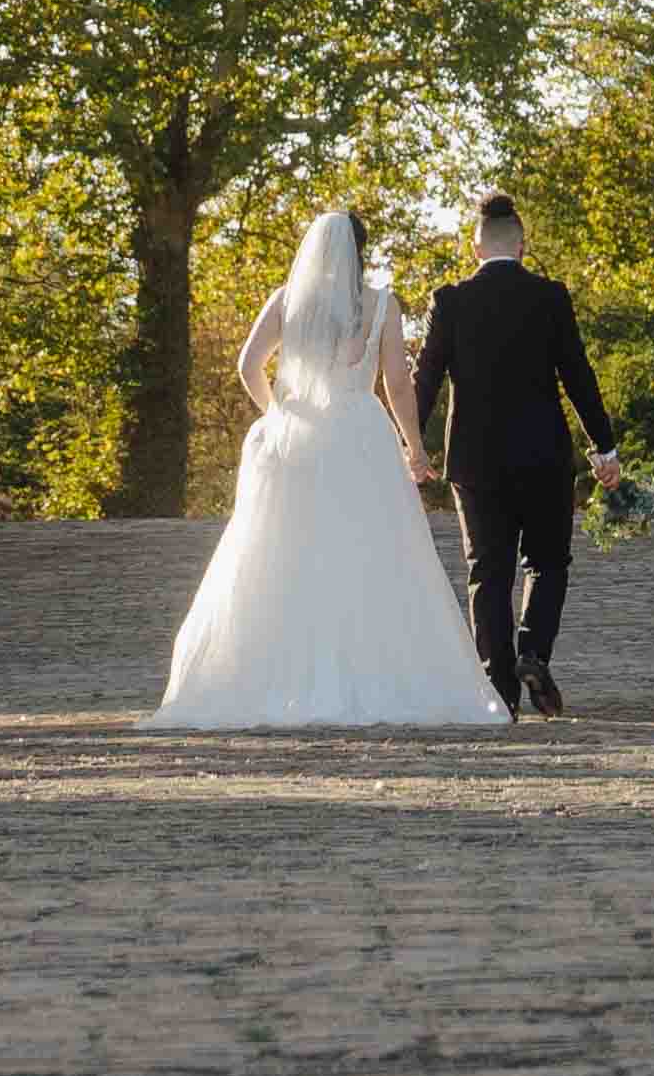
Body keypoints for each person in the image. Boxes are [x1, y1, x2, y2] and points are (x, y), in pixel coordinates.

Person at [149, 210, 501, 730]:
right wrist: (414, 448)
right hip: (361, 436)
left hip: (299, 437)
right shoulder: (383, 305)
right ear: (361, 250)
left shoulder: (287, 299)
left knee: (284, 555)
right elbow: (399, 385)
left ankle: (276, 677)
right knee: (372, 556)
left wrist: (277, 413)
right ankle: (372, 672)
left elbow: (249, 364)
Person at [414, 181, 622, 722]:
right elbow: (578, 375)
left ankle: (499, 688)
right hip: (544, 455)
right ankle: (533, 651)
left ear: (475, 247)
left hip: (475, 460)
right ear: (522, 245)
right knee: (548, 562)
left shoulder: (449, 301)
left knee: (487, 571)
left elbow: (425, 380)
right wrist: (605, 446)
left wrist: (410, 446)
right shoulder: (551, 298)